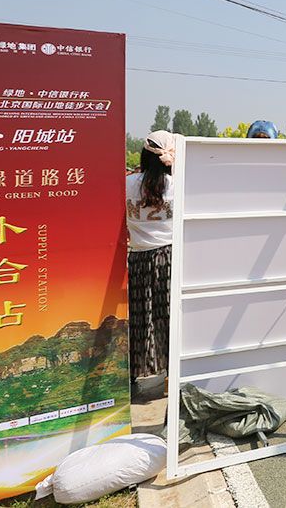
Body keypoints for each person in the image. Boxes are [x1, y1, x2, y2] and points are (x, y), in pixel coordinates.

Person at [126, 131, 176, 395]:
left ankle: (136, 376)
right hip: (169, 258)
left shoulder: (127, 184)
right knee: (168, 319)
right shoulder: (177, 185)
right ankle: (172, 375)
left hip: (138, 256)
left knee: (140, 317)